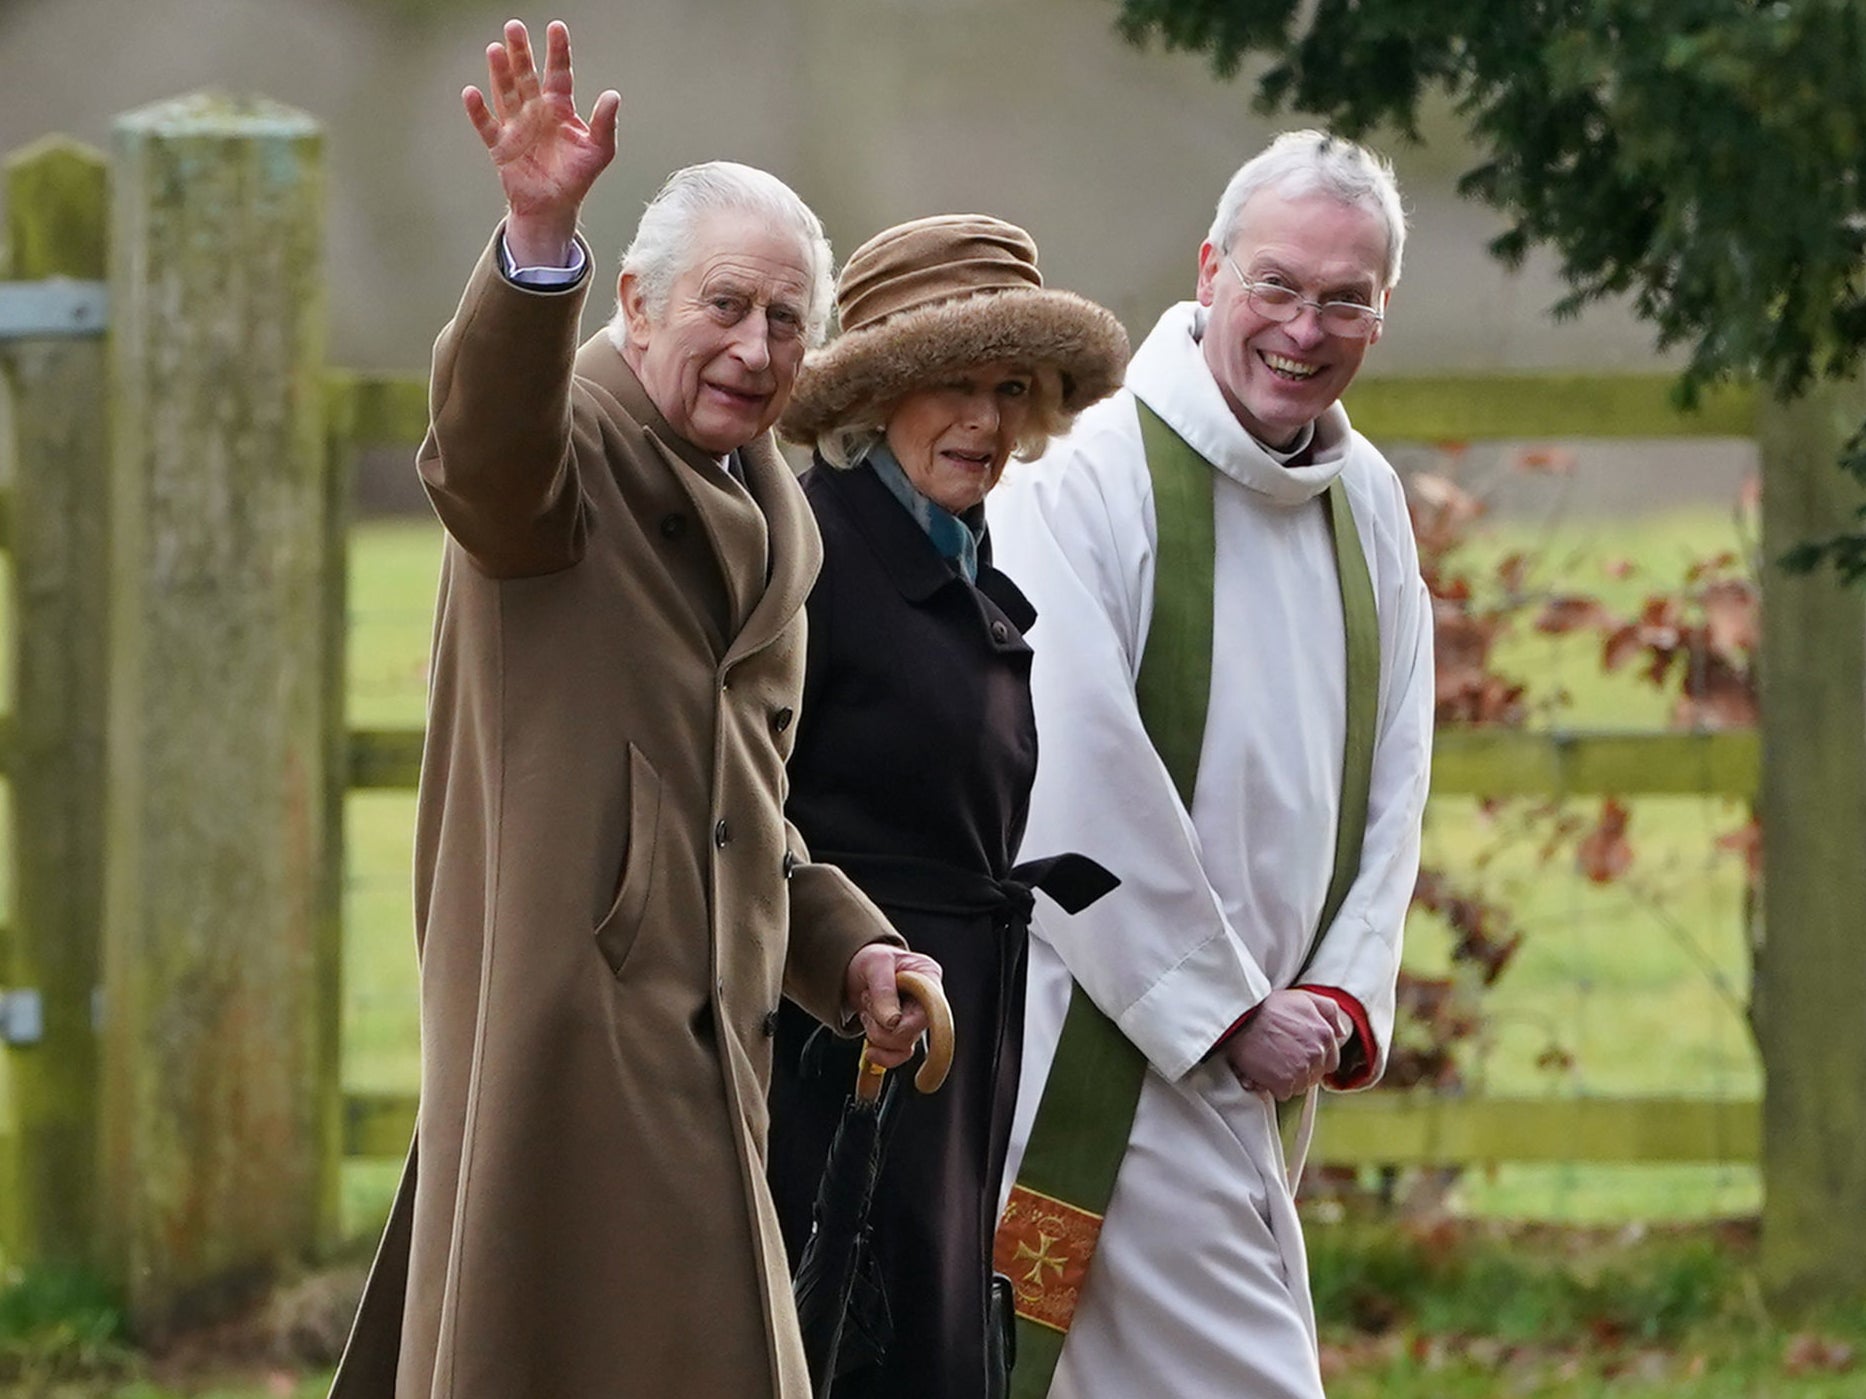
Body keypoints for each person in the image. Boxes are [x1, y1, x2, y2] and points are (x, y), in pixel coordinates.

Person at [329, 20, 939, 1399]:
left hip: (707, 1031)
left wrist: (844, 948)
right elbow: (481, 451)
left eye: (788, 318)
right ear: (640, 307)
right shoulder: (570, 448)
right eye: (724, 303)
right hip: (567, 1037)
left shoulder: (775, 510)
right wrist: (535, 244)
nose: (754, 343)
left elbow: (735, 797)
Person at [986, 130, 1435, 1398]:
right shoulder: (1083, 473)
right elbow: (1054, 762)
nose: (1306, 327)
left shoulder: (1371, 504)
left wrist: (1342, 994)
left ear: (1380, 314)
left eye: (1346, 298)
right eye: (1279, 285)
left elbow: (1400, 771)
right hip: (1102, 1051)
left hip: (1269, 1063)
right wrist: (1224, 1008)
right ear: (1210, 270)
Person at [763, 215, 1128, 1399]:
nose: (986, 419)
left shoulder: (966, 556)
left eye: (1009, 386)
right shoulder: (813, 552)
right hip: (842, 1042)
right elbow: (748, 800)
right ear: (879, 397)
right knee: (854, 1350)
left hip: (959, 1024)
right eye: (952, 385)